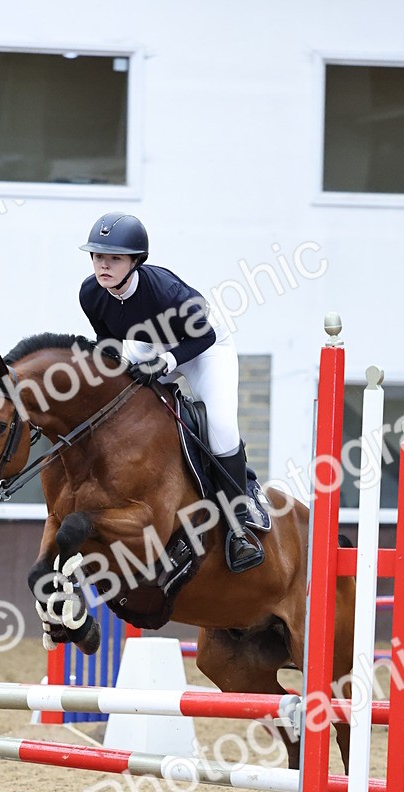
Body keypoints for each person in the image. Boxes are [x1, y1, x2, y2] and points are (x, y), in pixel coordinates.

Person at [78, 212, 264, 573]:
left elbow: (204, 336)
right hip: (148, 346)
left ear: (135, 262)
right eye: (98, 257)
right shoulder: (90, 293)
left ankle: (239, 527)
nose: (103, 265)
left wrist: (165, 364)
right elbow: (108, 341)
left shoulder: (164, 291)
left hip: (202, 349)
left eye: (114, 258)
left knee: (222, 429)